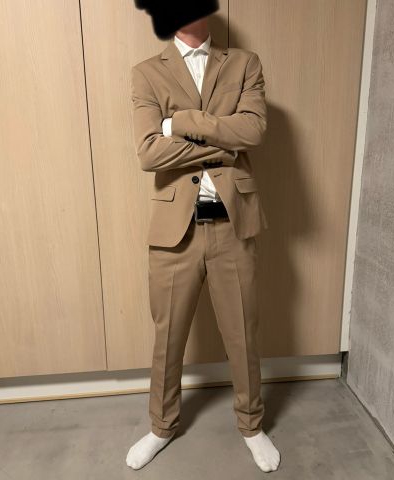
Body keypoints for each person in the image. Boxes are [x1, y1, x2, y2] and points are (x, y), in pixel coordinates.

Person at [127, 14, 280, 473]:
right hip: (175, 230)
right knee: (168, 335)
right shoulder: (146, 73)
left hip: (234, 222)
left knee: (242, 333)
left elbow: (253, 131)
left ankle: (251, 425)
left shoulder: (245, 64)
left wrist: (179, 123)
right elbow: (149, 153)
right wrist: (222, 143)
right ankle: (162, 426)